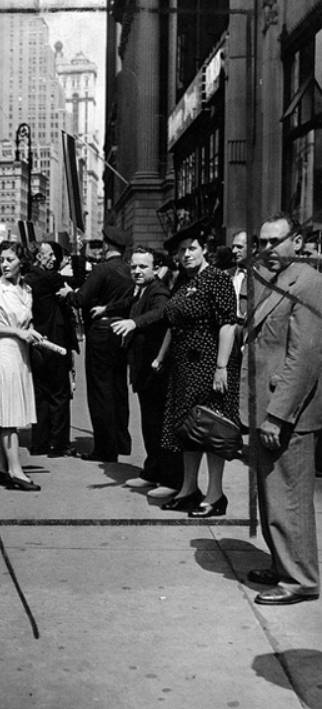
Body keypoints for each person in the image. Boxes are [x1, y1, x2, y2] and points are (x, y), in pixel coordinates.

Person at [240, 213, 322, 605]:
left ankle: (300, 579)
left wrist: (278, 415)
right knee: (273, 495)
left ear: (298, 242)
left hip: (287, 414)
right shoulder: (276, 279)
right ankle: (282, 563)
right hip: (266, 408)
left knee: (289, 497)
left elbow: (303, 358)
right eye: (263, 242)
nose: (268, 248)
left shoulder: (308, 283)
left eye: (276, 241)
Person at [153, 222, 239, 514]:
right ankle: (189, 489)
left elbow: (228, 324)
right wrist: (162, 357)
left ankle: (215, 496)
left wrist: (221, 367)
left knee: (212, 429)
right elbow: (173, 322)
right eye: (181, 250)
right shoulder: (183, 280)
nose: (186, 254)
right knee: (187, 429)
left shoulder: (217, 279)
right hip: (183, 368)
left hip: (209, 364)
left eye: (192, 248)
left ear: (204, 250)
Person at [107, 246, 180, 492]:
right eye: (134, 266)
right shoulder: (141, 289)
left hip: (156, 370)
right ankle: (152, 472)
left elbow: (161, 311)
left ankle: (170, 480)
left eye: (143, 267)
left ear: (156, 269)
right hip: (143, 370)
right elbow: (128, 302)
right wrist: (105, 310)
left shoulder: (159, 290)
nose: (137, 271)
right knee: (149, 424)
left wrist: (134, 323)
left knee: (159, 424)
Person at [0, 241, 43, 491]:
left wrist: (31, 332)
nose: (4, 264)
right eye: (2, 259)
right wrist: (17, 331)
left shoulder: (26, 290)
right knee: (9, 415)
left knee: (6, 411)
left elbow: (25, 321)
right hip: (3, 353)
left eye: (9, 260)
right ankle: (16, 470)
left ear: (21, 262)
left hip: (20, 354)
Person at [64, 225, 134, 461]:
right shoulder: (129, 269)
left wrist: (68, 294)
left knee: (100, 390)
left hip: (101, 331)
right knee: (118, 387)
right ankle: (121, 441)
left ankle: (105, 447)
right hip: (122, 330)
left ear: (106, 245)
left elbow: (81, 298)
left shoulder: (102, 269)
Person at [26, 241, 78, 457]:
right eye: (49, 255)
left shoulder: (29, 278)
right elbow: (76, 284)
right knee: (59, 393)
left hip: (37, 340)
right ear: (39, 257)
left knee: (40, 392)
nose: (54, 259)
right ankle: (58, 443)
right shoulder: (51, 278)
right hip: (56, 341)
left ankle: (39, 442)